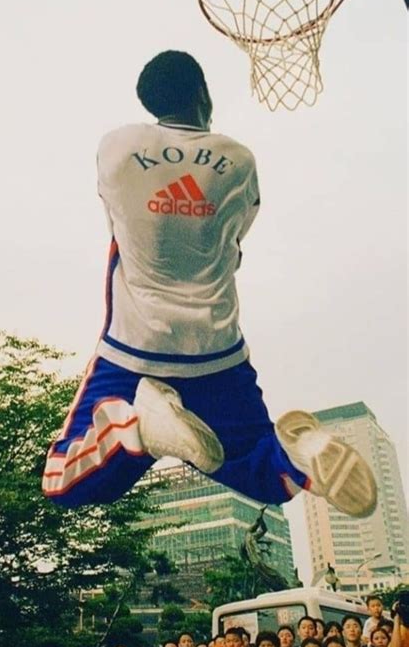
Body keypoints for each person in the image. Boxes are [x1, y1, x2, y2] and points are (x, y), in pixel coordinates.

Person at [41, 50, 377, 520]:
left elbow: (117, 214)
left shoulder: (117, 147)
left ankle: (136, 429)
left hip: (135, 350)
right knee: (265, 473)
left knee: (61, 478)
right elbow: (235, 240)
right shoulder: (239, 160)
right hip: (217, 353)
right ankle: (303, 454)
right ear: (203, 92)